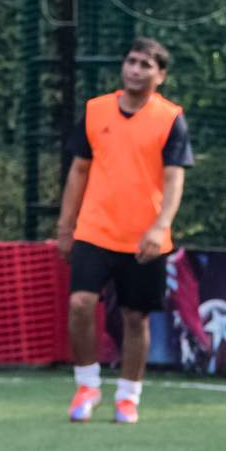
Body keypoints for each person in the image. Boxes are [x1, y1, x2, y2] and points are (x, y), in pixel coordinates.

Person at [53, 37, 193, 425]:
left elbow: (174, 179)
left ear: (160, 75)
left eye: (146, 65)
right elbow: (78, 171)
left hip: (144, 238)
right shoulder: (96, 111)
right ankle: (87, 384)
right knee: (80, 303)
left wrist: (160, 226)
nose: (135, 69)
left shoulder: (170, 118)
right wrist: (66, 226)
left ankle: (128, 395)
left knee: (136, 317)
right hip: (94, 231)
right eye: (131, 61)